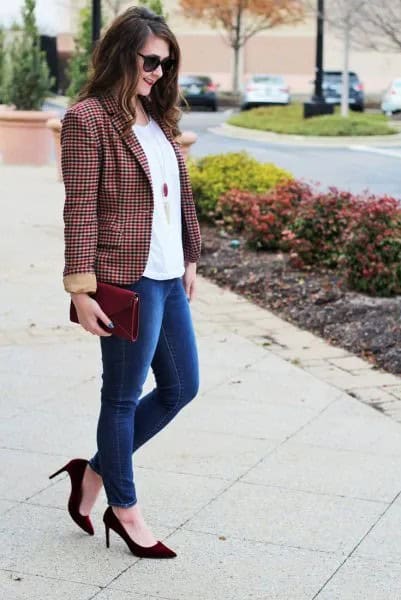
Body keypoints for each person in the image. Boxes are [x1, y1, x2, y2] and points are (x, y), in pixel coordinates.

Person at [49, 6, 201, 560]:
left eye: (167, 62)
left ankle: (91, 470)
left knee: (182, 387)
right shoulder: (87, 119)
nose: (160, 72)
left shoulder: (157, 116)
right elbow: (80, 207)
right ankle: (125, 508)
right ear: (122, 54)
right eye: (151, 60)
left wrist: (189, 255)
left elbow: (176, 194)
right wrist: (79, 288)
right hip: (125, 280)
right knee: (121, 398)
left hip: (166, 275)